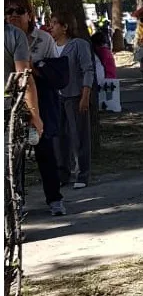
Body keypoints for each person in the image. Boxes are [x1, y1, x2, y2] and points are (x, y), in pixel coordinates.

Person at [5, 0, 67, 215]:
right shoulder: (8, 36)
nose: (13, 15)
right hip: (12, 104)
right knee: (14, 157)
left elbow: (54, 72)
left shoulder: (43, 39)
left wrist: (35, 67)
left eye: (19, 11)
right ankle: (16, 201)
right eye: (9, 11)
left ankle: (54, 199)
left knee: (44, 152)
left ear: (29, 15)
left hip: (39, 100)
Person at [50, 11, 94, 189]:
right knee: (59, 137)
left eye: (54, 23)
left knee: (79, 136)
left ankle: (82, 173)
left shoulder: (78, 45)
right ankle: (62, 173)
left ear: (65, 27)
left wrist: (85, 95)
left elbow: (88, 70)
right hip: (56, 97)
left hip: (75, 95)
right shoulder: (50, 46)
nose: (50, 27)